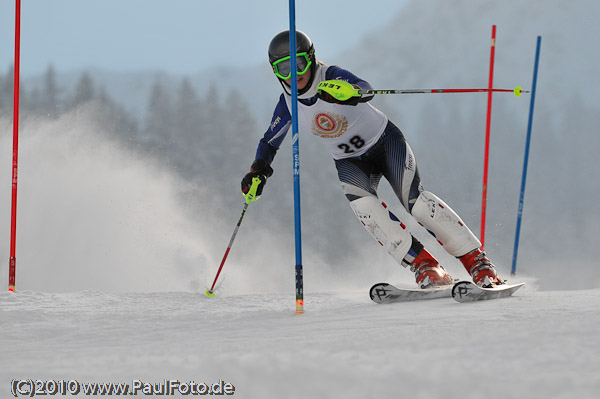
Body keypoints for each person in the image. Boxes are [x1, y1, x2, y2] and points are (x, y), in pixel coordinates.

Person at [241, 30, 504, 288]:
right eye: (284, 69)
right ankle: (426, 266)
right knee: (366, 210)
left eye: (300, 64)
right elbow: (269, 142)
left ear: (311, 58)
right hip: (349, 161)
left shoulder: (330, 75)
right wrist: (258, 171)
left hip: (385, 142)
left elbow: (366, 89)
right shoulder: (287, 103)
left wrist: (349, 92)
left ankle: (477, 262)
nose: (295, 75)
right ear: (275, 71)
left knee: (416, 203)